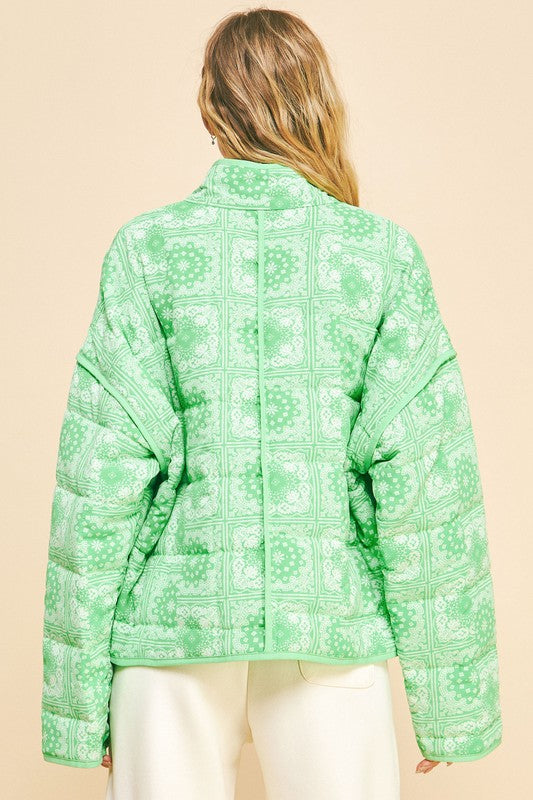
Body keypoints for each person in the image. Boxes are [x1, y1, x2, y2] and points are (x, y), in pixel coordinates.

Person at [41, 7, 503, 799]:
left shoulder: (147, 251)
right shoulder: (378, 255)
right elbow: (427, 486)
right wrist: (450, 704)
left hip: (171, 632)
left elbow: (98, 486)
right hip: (326, 623)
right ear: (319, 100)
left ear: (210, 109)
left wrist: (80, 707)